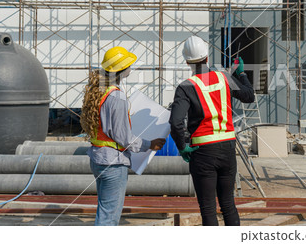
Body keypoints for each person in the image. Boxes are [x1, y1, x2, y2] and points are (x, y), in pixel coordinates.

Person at [169, 36, 255, 226]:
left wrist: (182, 147)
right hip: (227, 148)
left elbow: (175, 122)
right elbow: (249, 96)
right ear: (207, 57)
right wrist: (241, 74)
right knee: (228, 205)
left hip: (202, 152)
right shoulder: (224, 77)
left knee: (208, 209)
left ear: (186, 62)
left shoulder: (185, 87)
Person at [80, 46, 165, 226]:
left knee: (104, 211)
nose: (131, 67)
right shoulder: (117, 97)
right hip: (113, 163)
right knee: (109, 218)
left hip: (98, 158)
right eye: (129, 64)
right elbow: (124, 138)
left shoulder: (99, 91)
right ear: (122, 69)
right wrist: (150, 144)